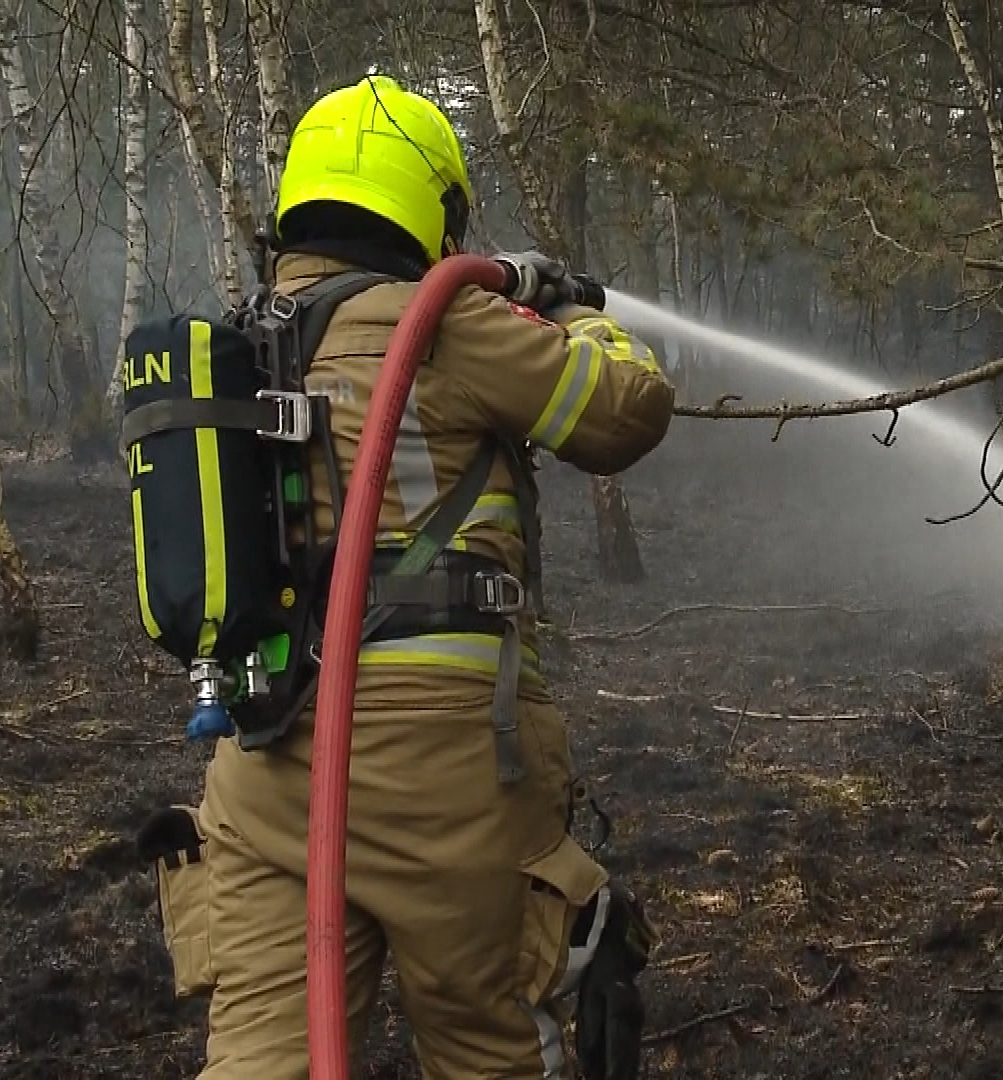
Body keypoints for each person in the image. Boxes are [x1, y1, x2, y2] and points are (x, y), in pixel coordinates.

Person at [155, 75, 674, 1079]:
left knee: (265, 1059)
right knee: (491, 1048)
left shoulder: (241, 346)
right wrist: (579, 317)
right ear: (432, 208)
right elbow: (622, 413)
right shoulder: (445, 323)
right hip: (447, 776)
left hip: (263, 770)